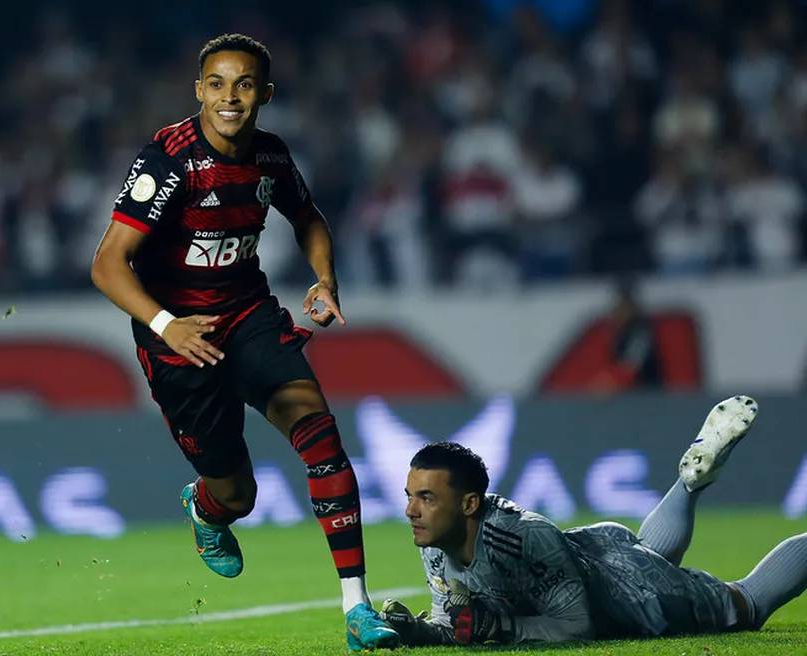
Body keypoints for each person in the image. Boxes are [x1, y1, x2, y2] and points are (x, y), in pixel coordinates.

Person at [89, 34, 398, 651]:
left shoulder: (271, 157)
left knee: (320, 431)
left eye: (245, 84)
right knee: (238, 494)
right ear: (199, 90)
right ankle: (206, 509)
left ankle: (357, 607)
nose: (231, 97)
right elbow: (107, 265)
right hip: (178, 338)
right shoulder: (167, 160)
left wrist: (325, 278)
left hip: (248, 314)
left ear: (265, 94)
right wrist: (166, 325)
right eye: (219, 84)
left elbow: (307, 217)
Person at [381, 395, 807, 646]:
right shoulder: (439, 539)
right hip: (597, 556)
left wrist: (500, 626)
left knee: (745, 604)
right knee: (652, 556)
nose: (410, 511)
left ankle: (691, 489)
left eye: (426, 498)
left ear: (470, 504)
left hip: (634, 592)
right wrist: (416, 631)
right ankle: (688, 486)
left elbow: (577, 625)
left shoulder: (520, 536)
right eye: (410, 497)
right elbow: (454, 622)